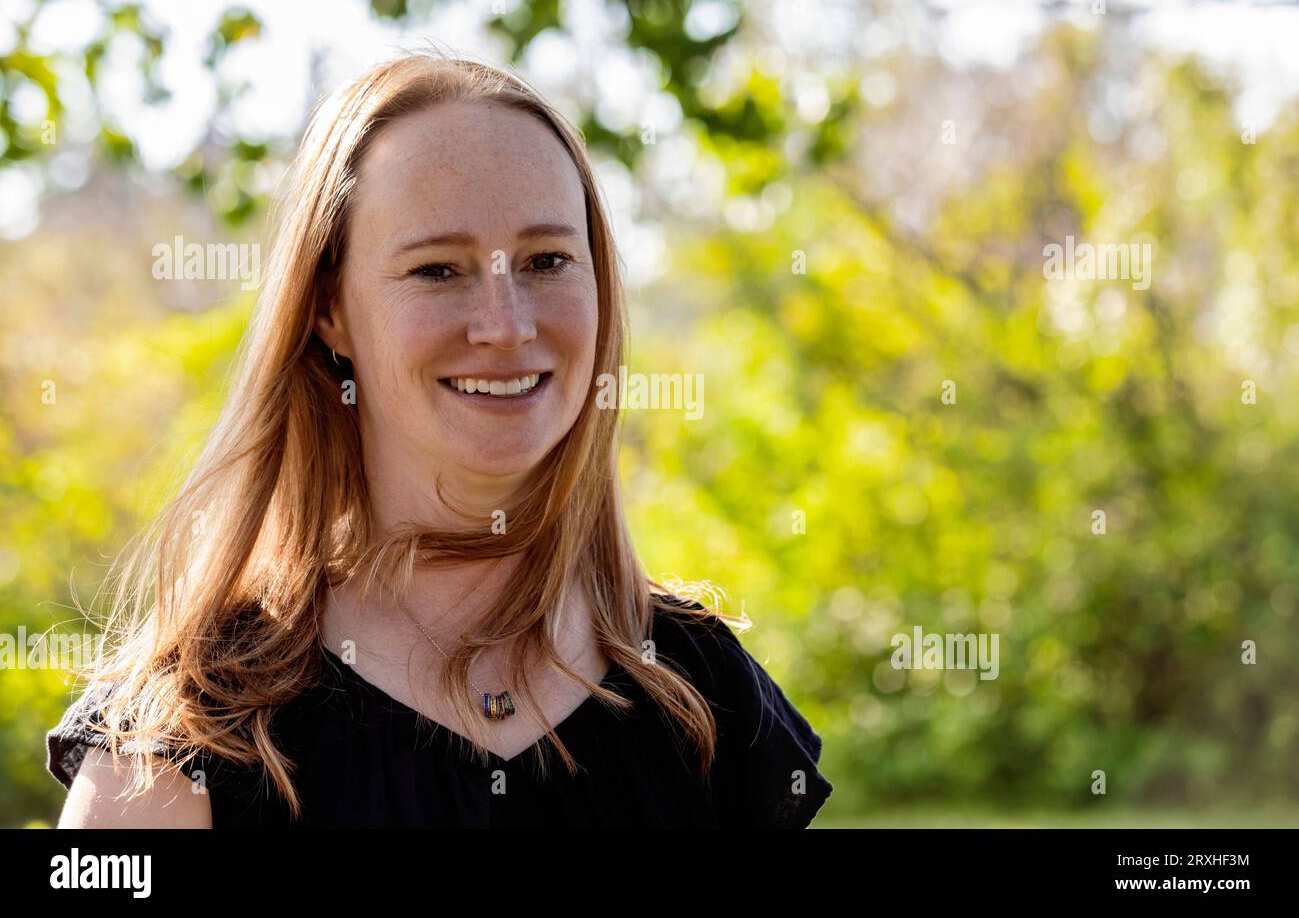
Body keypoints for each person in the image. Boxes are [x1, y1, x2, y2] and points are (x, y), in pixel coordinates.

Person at [45, 48, 833, 828]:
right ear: (330, 312)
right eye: (437, 271)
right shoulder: (179, 737)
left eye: (547, 259)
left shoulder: (703, 690)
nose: (506, 325)